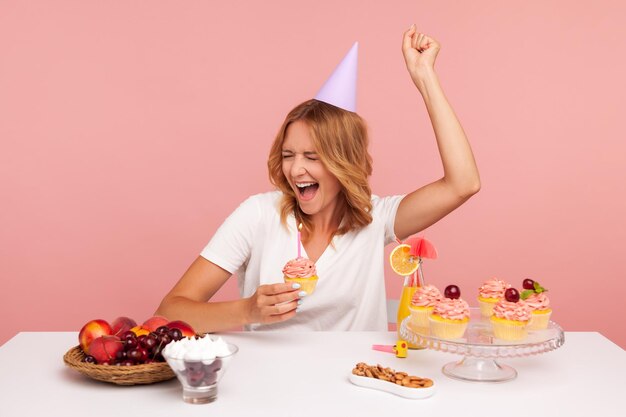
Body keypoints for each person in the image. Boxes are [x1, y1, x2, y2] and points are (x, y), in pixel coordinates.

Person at [155, 25, 480, 332]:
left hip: (358, 383)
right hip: (270, 385)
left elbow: (463, 184)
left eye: (312, 157)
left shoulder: (375, 219)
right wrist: (248, 310)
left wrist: (425, 78)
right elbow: (170, 311)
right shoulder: (257, 216)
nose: (296, 171)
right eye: (288, 155)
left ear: (344, 162)